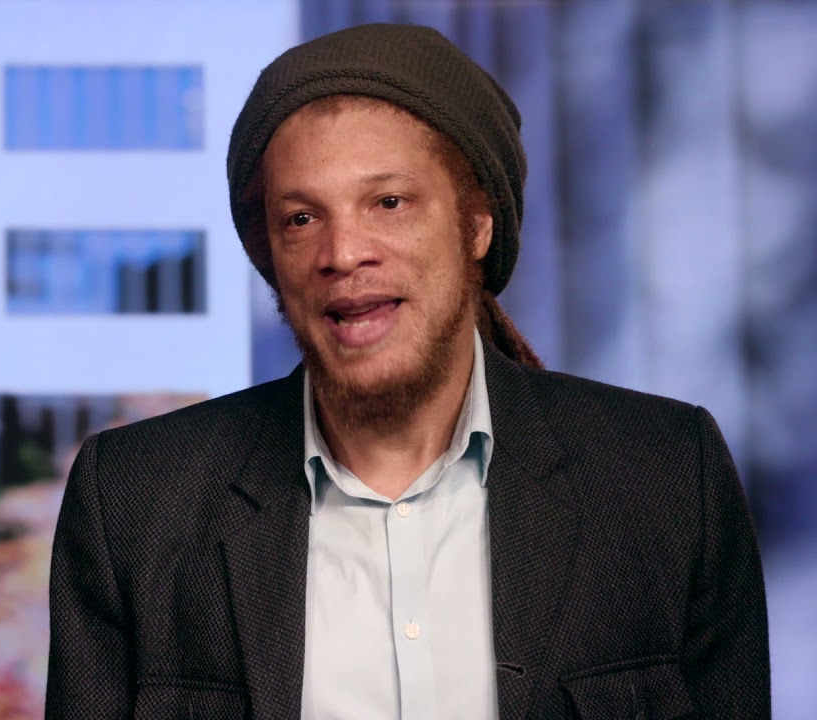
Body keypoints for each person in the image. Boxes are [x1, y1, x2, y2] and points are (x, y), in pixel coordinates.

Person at [45, 23, 769, 720]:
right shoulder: (135, 502)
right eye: (301, 218)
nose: (342, 252)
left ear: (476, 224)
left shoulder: (667, 475)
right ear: (269, 256)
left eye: (388, 202)